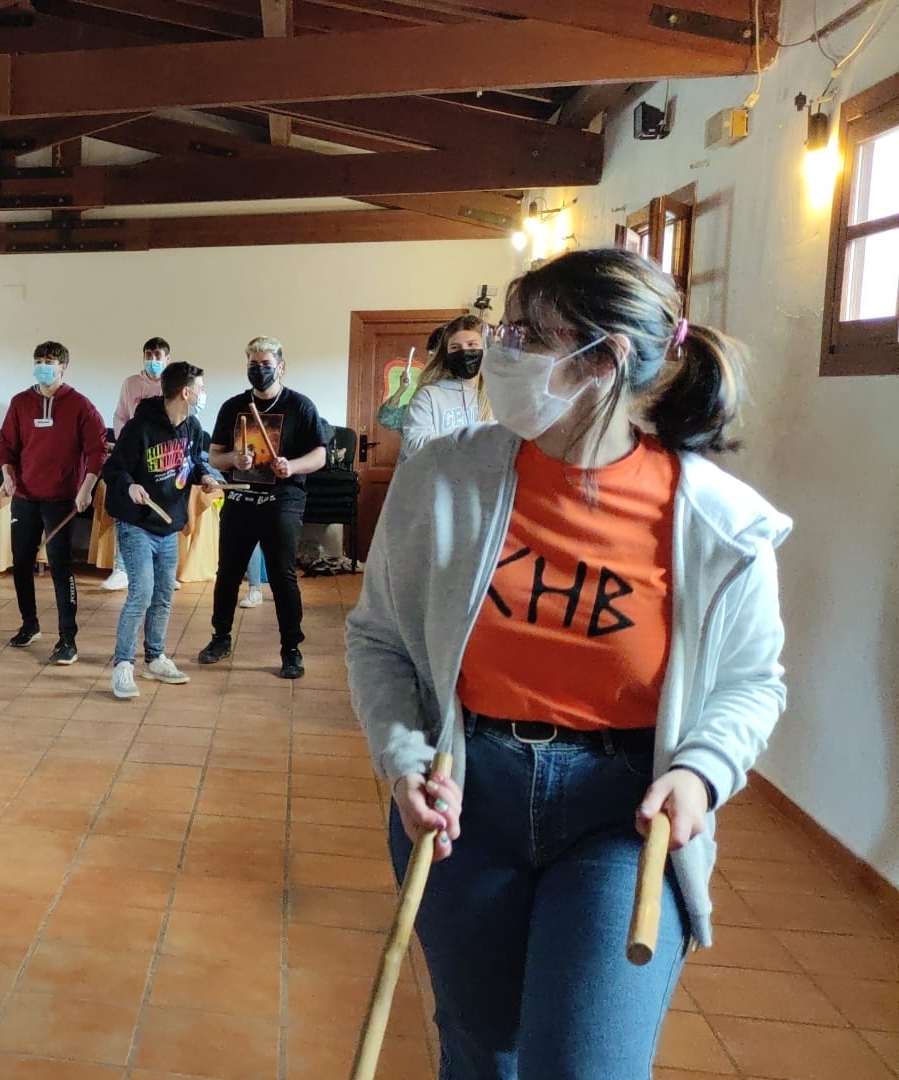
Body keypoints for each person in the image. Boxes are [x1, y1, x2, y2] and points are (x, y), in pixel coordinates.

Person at [347, 247, 790, 1079]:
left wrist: (701, 772)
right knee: (482, 1049)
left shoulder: (717, 522)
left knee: (586, 1064)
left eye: (526, 335)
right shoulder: (444, 477)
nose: (500, 351)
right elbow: (380, 640)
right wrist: (404, 759)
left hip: (622, 813)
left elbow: (751, 682)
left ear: (603, 360)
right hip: (468, 796)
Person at [196, 335, 327, 678]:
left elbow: (320, 455)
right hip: (240, 497)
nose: (259, 370)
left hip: (283, 499)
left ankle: (291, 648)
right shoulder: (233, 407)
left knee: (283, 576)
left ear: (281, 367)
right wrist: (234, 459)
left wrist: (292, 466)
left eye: (266, 364)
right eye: (253, 364)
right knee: (228, 574)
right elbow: (215, 456)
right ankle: (220, 637)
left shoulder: (300, 406)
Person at [102, 361, 217, 700]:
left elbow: (193, 463)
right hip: (136, 523)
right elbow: (113, 469)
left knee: (164, 593)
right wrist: (130, 485)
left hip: (168, 524)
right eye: (200, 389)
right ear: (186, 392)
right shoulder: (139, 427)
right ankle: (123, 664)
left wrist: (205, 477)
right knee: (142, 592)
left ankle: (154, 658)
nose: (203, 394)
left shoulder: (192, 426)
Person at [0, 342, 106, 666]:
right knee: (21, 563)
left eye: (50, 361)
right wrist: (7, 475)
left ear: (63, 367)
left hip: (61, 500)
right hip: (25, 497)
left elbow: (97, 451)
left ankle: (67, 638)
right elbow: (6, 445)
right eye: (39, 360)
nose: (43, 366)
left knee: (60, 567)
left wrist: (86, 489)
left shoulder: (81, 405)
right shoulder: (20, 403)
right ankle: (29, 624)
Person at [100, 336, 173, 592]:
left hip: (162, 458)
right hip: (133, 456)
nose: (152, 360)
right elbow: (120, 415)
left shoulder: (172, 385)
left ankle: (163, 570)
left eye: (157, 356)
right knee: (127, 510)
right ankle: (121, 568)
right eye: (148, 355)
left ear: (167, 359)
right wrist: (126, 443)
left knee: (163, 509)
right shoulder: (130, 383)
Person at [400, 313, 491, 462]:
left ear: (486, 348)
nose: (464, 352)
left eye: (472, 345)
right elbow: (413, 445)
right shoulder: (429, 396)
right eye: (455, 347)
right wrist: (465, 441)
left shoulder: (497, 396)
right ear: (446, 354)